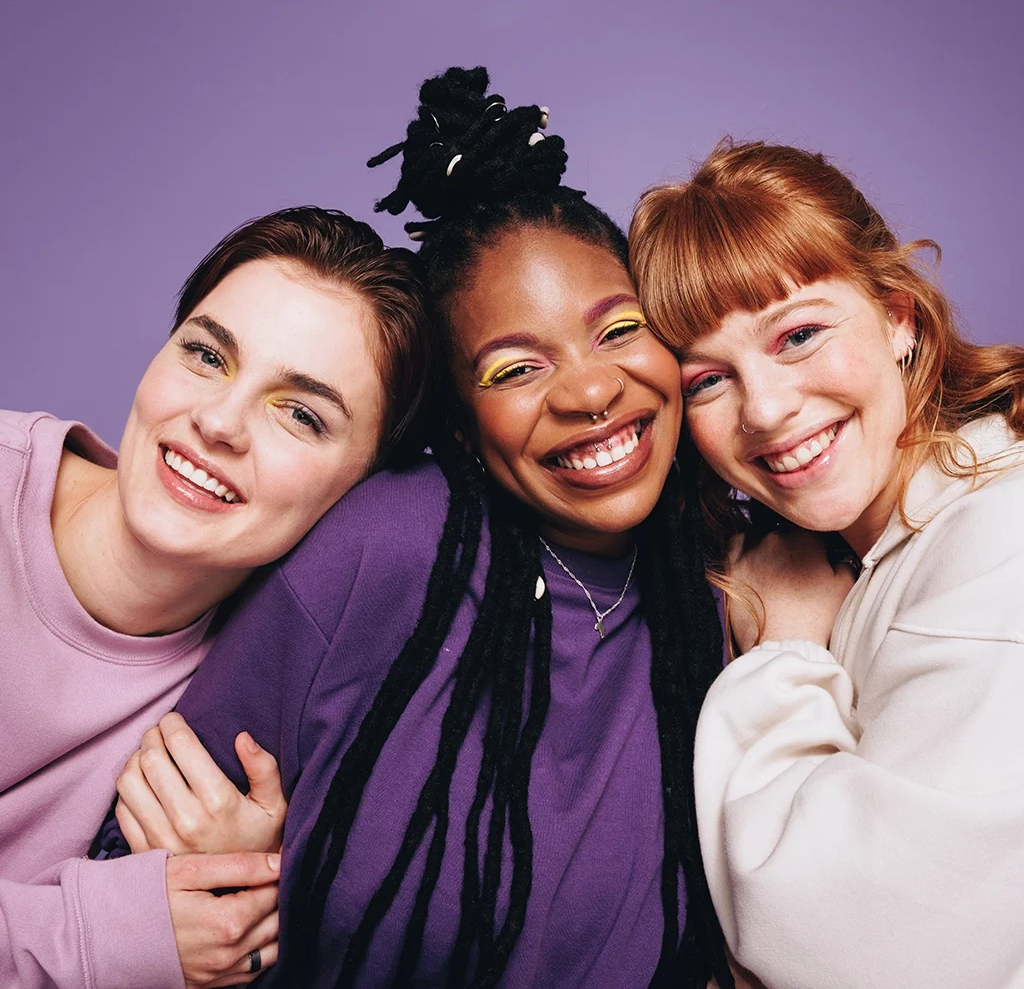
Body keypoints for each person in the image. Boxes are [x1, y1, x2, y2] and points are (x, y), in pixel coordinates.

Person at [107, 66, 736, 988]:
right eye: (515, 368)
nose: (592, 389)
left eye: (618, 330)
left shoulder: (720, 608)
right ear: (461, 426)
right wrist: (250, 902)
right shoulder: (388, 547)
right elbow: (133, 885)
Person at [0, 205, 432, 989]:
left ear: (363, 493)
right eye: (207, 355)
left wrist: (235, 882)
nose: (219, 421)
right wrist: (106, 935)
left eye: (300, 414)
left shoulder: (264, 703)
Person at [629, 139, 1024, 989]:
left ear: (899, 317)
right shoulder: (884, 545)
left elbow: (869, 952)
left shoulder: (1001, 535)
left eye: (800, 335)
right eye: (707, 381)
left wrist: (785, 657)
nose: (767, 410)